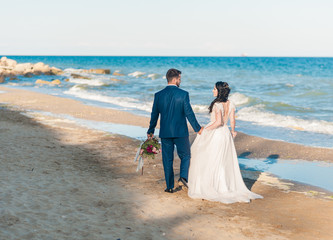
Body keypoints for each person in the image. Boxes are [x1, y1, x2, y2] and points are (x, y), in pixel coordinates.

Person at [188, 81, 263, 203]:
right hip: (225, 133)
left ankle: (214, 186)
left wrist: (205, 130)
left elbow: (218, 123)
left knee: (212, 159)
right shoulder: (231, 104)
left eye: (214, 89)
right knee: (223, 161)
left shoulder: (217, 105)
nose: (212, 91)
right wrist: (233, 131)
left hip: (216, 133)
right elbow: (232, 120)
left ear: (219, 91)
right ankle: (224, 185)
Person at [147, 68, 203, 193]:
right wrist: (197, 128)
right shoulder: (183, 94)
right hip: (180, 132)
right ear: (176, 79)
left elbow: (154, 115)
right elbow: (189, 113)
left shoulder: (158, 95)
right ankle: (183, 176)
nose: (180, 81)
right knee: (186, 155)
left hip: (165, 132)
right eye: (180, 79)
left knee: (167, 159)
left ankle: (169, 187)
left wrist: (150, 130)